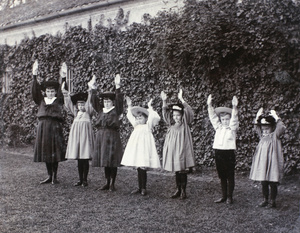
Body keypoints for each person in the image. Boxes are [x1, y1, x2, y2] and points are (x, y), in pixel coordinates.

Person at [31, 60, 66, 184]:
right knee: (46, 151)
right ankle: (49, 175)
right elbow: (35, 91)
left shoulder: (58, 100)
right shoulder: (41, 100)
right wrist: (34, 75)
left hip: (55, 127)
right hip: (43, 127)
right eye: (48, 91)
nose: (50, 93)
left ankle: (55, 176)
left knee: (54, 151)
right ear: (45, 92)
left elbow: (63, 91)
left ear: (55, 92)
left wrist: (63, 77)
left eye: (52, 91)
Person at [89, 74, 124, 192]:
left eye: (109, 101)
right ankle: (106, 181)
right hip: (101, 136)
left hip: (112, 136)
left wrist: (117, 87)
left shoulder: (116, 110)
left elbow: (119, 101)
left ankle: (112, 183)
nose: (106, 103)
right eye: (105, 101)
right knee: (105, 160)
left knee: (112, 160)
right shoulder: (100, 110)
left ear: (112, 102)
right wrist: (93, 88)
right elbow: (94, 101)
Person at [121, 97, 161, 196]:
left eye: (141, 118)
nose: (138, 120)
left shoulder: (148, 125)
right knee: (139, 167)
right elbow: (129, 116)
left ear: (146, 119)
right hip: (137, 149)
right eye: (137, 118)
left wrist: (149, 107)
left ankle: (143, 187)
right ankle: (139, 187)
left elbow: (155, 117)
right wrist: (129, 105)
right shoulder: (136, 125)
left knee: (143, 167)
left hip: (145, 149)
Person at [161, 89, 195, 200]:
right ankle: (178, 189)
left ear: (182, 115)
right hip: (173, 150)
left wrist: (181, 99)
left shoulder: (185, 124)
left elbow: (189, 111)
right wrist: (164, 101)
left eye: (178, 115)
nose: (176, 117)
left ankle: (184, 190)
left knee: (182, 170)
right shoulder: (171, 124)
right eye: (174, 115)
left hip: (182, 150)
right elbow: (165, 113)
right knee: (177, 170)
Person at [249, 108, 285, 208]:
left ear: (272, 128)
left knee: (273, 182)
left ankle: (272, 201)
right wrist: (258, 116)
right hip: (263, 164)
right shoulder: (262, 137)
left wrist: (276, 117)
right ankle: (265, 199)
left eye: (267, 129)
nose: (264, 131)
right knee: (263, 181)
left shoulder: (275, 136)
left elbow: (281, 127)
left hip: (272, 163)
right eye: (263, 129)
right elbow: (256, 127)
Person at [207, 94, 239, 204]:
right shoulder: (218, 128)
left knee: (230, 175)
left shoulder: (232, 128)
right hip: (219, 153)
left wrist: (234, 108)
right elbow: (213, 117)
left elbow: (234, 119)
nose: (225, 121)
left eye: (227, 119)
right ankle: (224, 196)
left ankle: (230, 196)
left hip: (229, 153)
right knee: (222, 176)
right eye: (223, 119)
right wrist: (209, 105)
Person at [62, 82, 94, 187]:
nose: (81, 106)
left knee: (85, 158)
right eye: (79, 104)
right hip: (77, 138)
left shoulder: (88, 112)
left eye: (82, 104)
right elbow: (68, 103)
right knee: (79, 160)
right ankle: (80, 179)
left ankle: (85, 179)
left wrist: (90, 90)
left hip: (85, 137)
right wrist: (65, 93)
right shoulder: (76, 113)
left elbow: (90, 102)